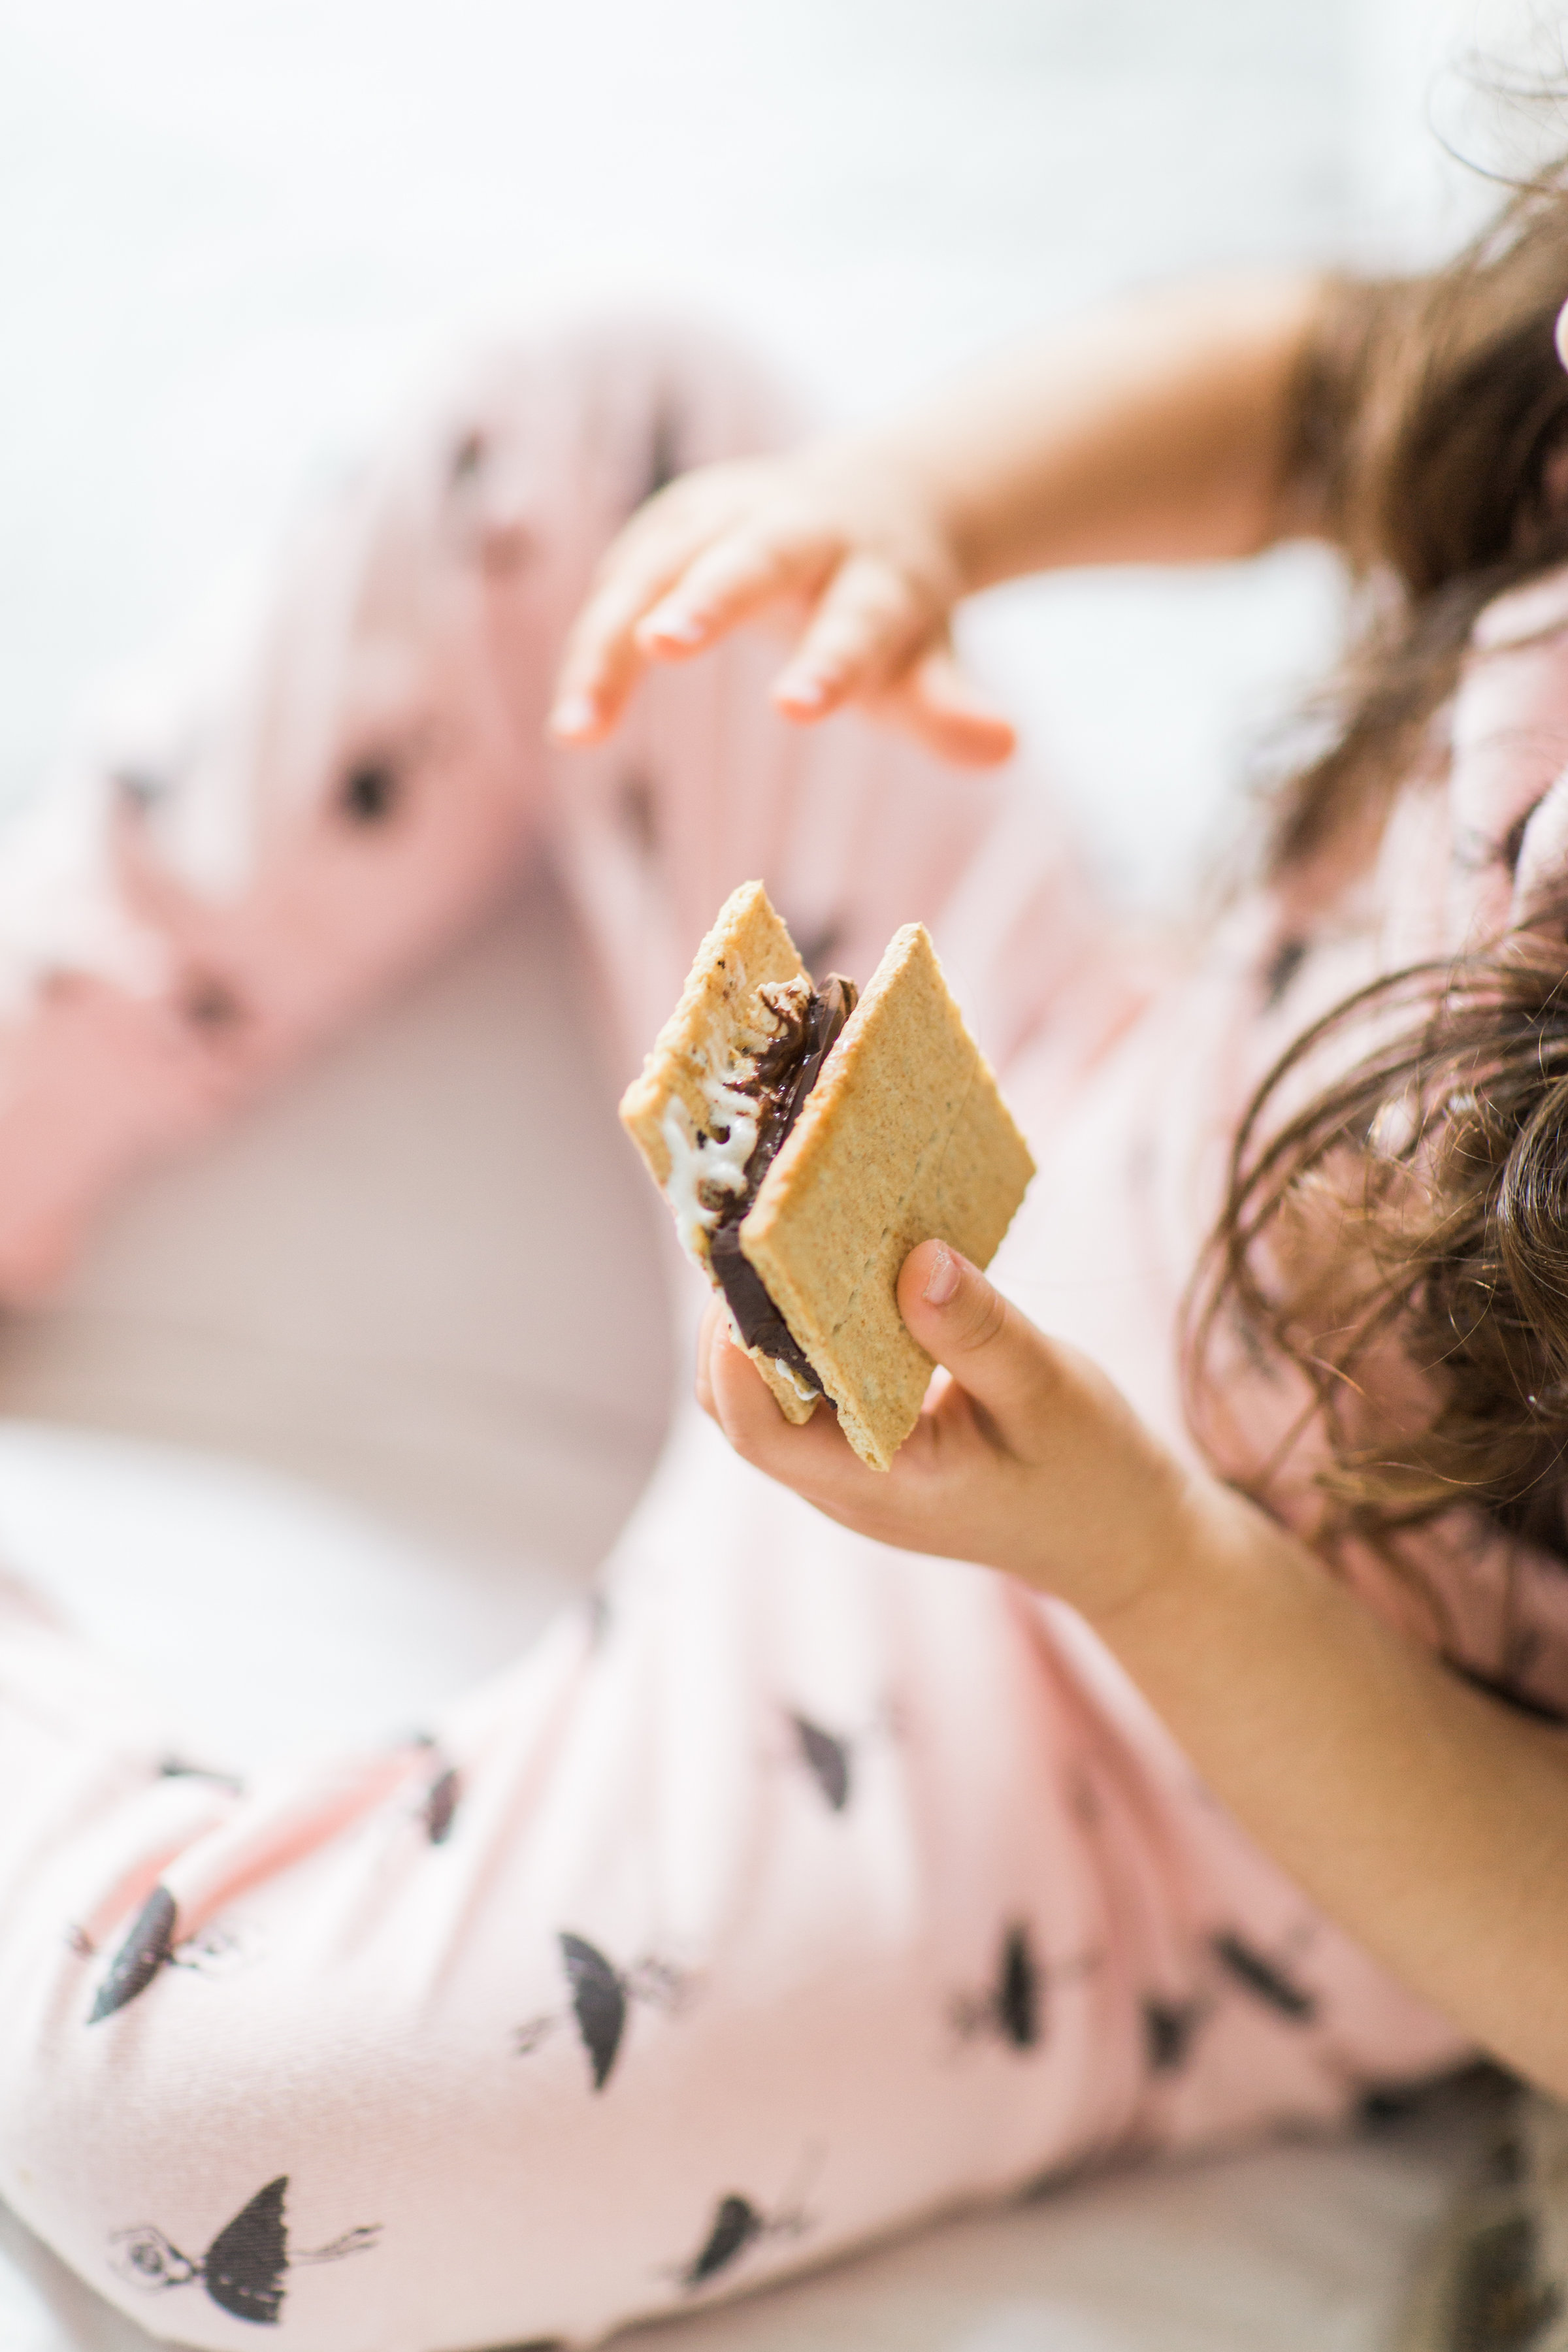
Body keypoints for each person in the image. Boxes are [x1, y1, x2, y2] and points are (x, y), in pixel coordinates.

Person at [1, 177, 1567, 2349]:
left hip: (1135, 1803)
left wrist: (1146, 1562)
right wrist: (917, 513)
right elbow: (1341, 391)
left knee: (211, 2150)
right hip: (1061, 1074)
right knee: (620, 429)